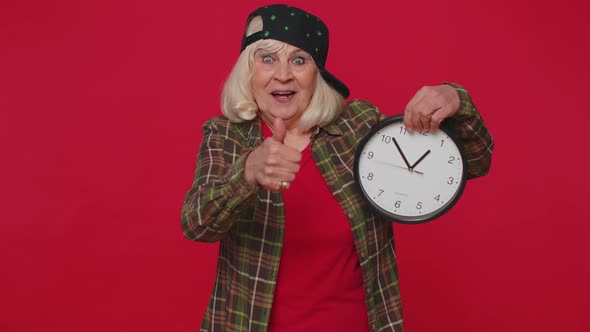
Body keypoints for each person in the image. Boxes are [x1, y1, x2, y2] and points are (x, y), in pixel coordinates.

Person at [181, 4, 493, 331]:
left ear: (317, 73)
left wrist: (456, 100)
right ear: (248, 70)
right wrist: (247, 173)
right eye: (267, 59)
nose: (283, 74)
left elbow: (475, 161)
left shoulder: (357, 127)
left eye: (299, 60)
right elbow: (197, 224)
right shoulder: (226, 136)